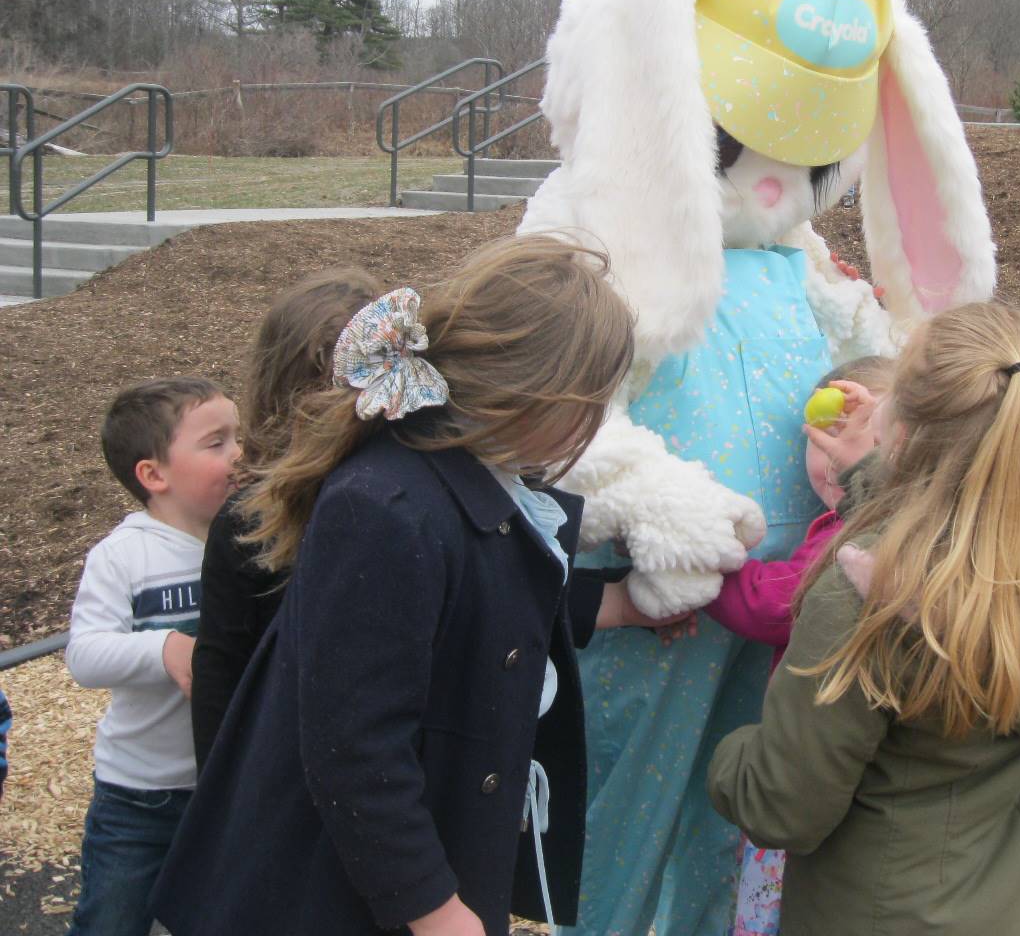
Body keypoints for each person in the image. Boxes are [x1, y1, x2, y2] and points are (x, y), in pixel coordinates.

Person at [152, 236, 684, 936]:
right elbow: (355, 747)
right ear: (533, 390)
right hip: (332, 893)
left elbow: (498, 610)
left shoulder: (472, 481)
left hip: (420, 859)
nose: (593, 422)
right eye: (590, 400)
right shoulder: (386, 508)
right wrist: (433, 909)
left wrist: (635, 601)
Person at [707, 302, 1020, 936]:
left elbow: (785, 808)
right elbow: (968, 526)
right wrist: (878, 478)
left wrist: (730, 751)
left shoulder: (864, 597)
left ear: (903, 428)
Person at [702, 355, 893, 936]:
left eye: (865, 441)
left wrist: (701, 563)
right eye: (824, 439)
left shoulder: (852, 540)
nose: (835, 460)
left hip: (815, 770)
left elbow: (772, 603)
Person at [65, 377, 241, 936]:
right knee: (111, 921)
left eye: (238, 437)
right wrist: (164, 647)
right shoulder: (125, 556)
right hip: (137, 799)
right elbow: (85, 655)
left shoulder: (250, 541)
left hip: (225, 785)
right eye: (216, 443)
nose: (239, 453)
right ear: (154, 475)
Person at [190, 267, 380, 772]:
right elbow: (219, 670)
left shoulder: (248, 514)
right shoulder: (414, 495)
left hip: (287, 763)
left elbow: (220, 671)